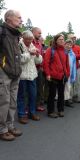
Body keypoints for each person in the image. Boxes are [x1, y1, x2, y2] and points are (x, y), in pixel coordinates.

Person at [0, 10, 23, 141]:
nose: (21, 20)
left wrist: (18, 69)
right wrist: (2, 66)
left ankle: (10, 126)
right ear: (9, 18)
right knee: (3, 102)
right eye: (19, 17)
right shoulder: (1, 32)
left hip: (16, 73)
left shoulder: (15, 35)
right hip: (4, 73)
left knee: (12, 101)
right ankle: (2, 130)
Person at [17, 30, 42, 124]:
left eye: (31, 39)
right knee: (22, 96)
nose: (30, 41)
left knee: (33, 95)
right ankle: (21, 114)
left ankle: (32, 112)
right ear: (23, 38)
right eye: (28, 39)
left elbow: (38, 61)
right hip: (22, 75)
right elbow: (19, 60)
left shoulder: (32, 45)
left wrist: (38, 55)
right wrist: (29, 54)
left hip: (32, 75)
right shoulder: (18, 45)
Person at [43, 34, 70, 118]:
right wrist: (47, 74)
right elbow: (45, 63)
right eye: (60, 39)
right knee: (52, 94)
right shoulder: (50, 50)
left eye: (63, 39)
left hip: (62, 76)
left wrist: (67, 74)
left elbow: (67, 64)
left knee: (61, 94)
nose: (62, 41)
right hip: (53, 76)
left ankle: (60, 110)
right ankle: (50, 111)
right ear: (56, 41)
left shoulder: (65, 51)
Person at [32, 27, 45, 112]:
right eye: (39, 33)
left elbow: (41, 57)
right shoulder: (28, 42)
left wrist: (42, 67)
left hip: (39, 68)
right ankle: (28, 107)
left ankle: (37, 105)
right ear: (33, 32)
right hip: (31, 68)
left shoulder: (39, 44)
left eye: (41, 33)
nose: (40, 35)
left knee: (39, 88)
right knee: (30, 88)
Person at [67, 34, 80, 103]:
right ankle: (69, 97)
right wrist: (78, 55)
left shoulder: (78, 47)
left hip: (76, 68)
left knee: (76, 83)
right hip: (68, 69)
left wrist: (77, 56)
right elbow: (77, 56)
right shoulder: (66, 46)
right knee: (69, 84)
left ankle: (75, 96)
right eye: (72, 38)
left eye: (75, 38)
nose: (74, 40)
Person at [64, 39, 76, 108]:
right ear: (65, 44)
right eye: (67, 44)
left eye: (70, 45)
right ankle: (62, 99)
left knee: (68, 87)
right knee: (62, 87)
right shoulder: (62, 52)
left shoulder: (73, 54)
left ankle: (67, 100)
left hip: (69, 73)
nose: (69, 46)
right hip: (62, 73)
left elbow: (73, 66)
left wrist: (73, 75)